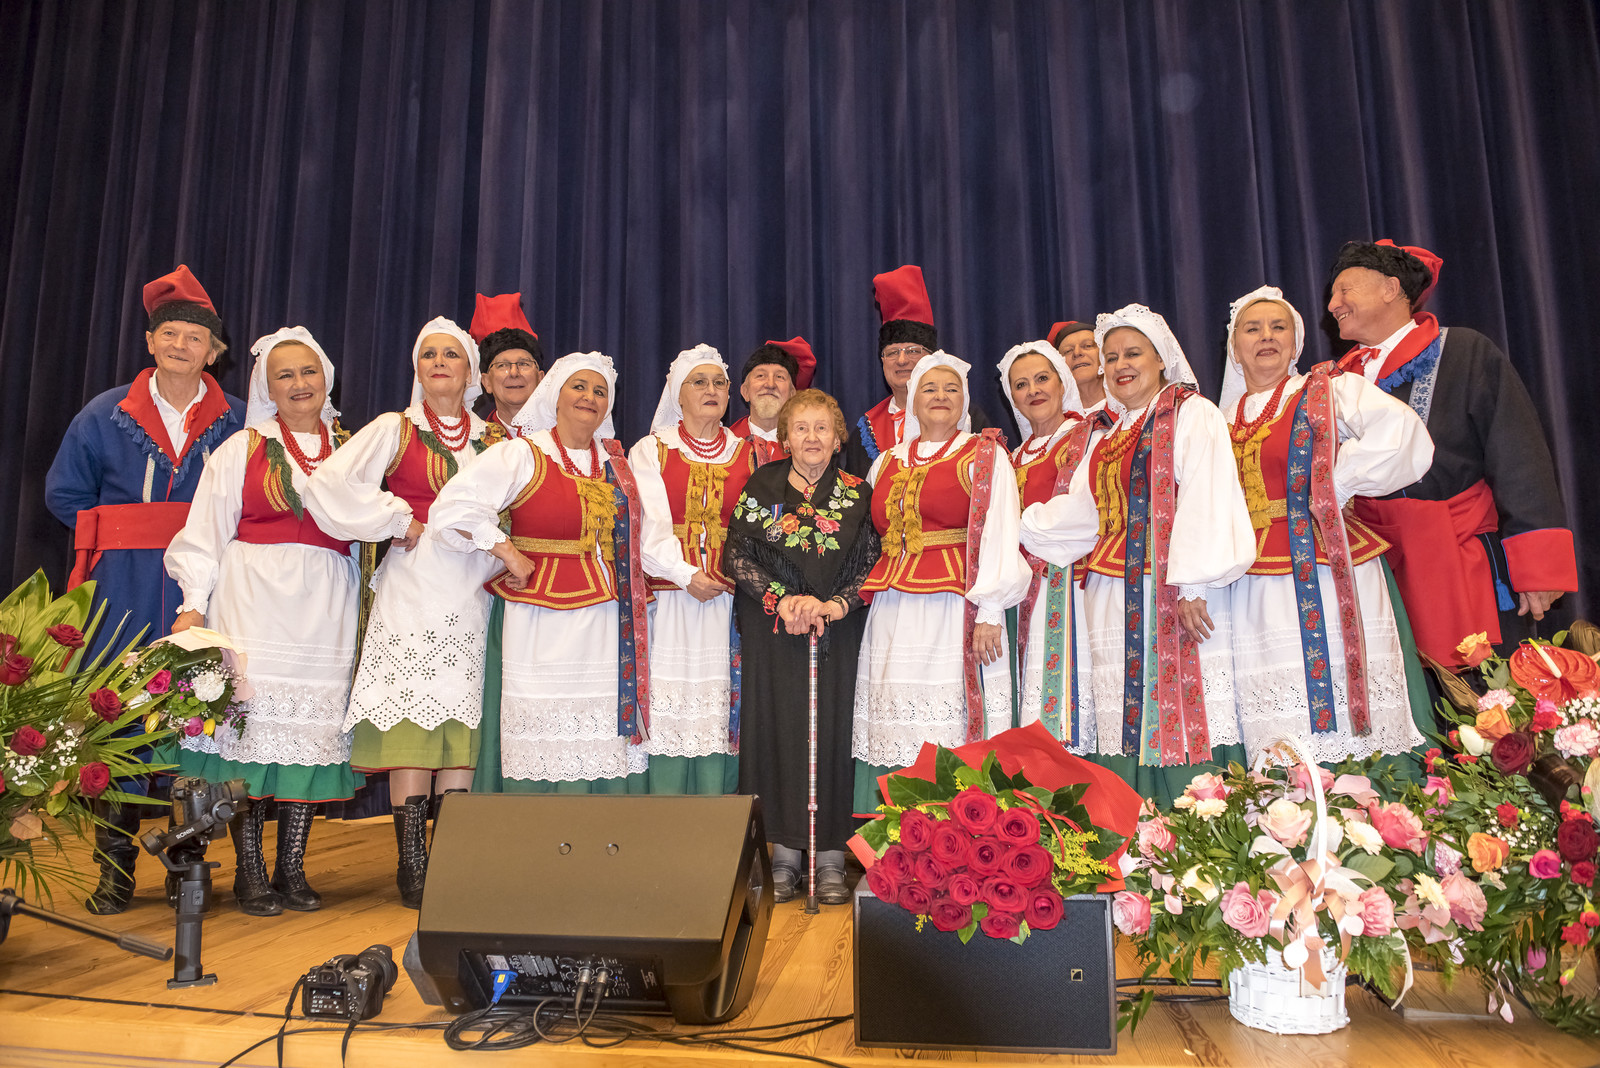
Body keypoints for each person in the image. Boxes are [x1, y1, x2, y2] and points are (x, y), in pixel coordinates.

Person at [45, 264, 246, 915]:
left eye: (195, 337)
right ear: (150, 342)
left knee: (198, 720)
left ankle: (188, 868)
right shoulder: (103, 414)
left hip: (205, 590)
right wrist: (129, 533)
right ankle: (114, 869)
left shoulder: (240, 422)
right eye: (170, 334)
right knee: (121, 719)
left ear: (213, 352)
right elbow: (64, 495)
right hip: (123, 589)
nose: (181, 345)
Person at [303, 317, 504, 908]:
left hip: (477, 589)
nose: (440, 363)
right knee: (414, 724)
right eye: (429, 354)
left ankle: (453, 861)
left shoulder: (495, 440)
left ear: (471, 372)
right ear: (417, 368)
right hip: (414, 588)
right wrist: (396, 518)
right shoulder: (395, 428)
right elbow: (328, 484)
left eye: (452, 354)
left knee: (464, 723)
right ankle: (413, 863)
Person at [1020, 305, 1254, 805]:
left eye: (1133, 354)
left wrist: (1193, 584)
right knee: (1122, 706)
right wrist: (1014, 523)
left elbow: (1207, 495)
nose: (1120, 365)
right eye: (1111, 358)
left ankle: (1196, 819)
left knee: (1178, 701)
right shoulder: (1108, 434)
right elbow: (1083, 512)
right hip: (1110, 590)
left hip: (1172, 588)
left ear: (1161, 358)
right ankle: (1136, 822)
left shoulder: (1192, 413)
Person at [164, 327, 361, 916]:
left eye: (308, 371)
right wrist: (193, 603)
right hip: (251, 601)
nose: (299, 384)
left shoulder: (352, 448)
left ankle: (291, 868)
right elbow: (204, 531)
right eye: (285, 375)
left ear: (326, 379)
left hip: (325, 605)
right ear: (267, 389)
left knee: (307, 743)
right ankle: (250, 871)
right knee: (248, 741)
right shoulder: (241, 448)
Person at [1326, 240, 1577, 668]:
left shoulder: (1463, 351)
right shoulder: (1333, 379)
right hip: (1374, 568)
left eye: (1344, 290)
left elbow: (1519, 457)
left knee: (1485, 694)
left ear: (1390, 288)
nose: (1333, 305)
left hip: (1459, 560)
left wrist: (1539, 568)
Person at [1218, 286, 1432, 763]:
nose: (1266, 336)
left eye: (1278, 327)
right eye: (1252, 329)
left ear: (1296, 343)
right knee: (1272, 688)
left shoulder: (1328, 389)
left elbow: (1403, 434)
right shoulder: (1218, 419)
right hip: (1249, 576)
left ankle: (1367, 790)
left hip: (1325, 561)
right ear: (1234, 348)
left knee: (1339, 676)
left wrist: (1335, 482)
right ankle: (1285, 794)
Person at [429, 353, 651, 795]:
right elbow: (452, 508)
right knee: (541, 725)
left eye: (600, 391)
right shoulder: (523, 453)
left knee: (598, 730)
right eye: (579, 387)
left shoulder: (616, 465)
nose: (589, 397)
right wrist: (508, 553)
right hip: (538, 616)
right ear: (554, 396)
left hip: (605, 616)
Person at [852, 352, 1030, 812]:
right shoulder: (885, 462)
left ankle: (959, 826)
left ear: (964, 401)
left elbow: (1001, 531)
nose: (940, 397)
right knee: (894, 711)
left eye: (952, 389)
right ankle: (894, 830)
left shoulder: (985, 455)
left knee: (948, 718)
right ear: (912, 400)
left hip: (955, 605)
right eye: (929, 389)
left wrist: (991, 611)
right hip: (893, 608)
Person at [725, 389, 879, 904]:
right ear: (785, 437)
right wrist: (783, 599)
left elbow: (870, 561)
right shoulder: (762, 484)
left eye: (822, 428)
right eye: (801, 428)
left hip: (837, 628)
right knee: (777, 727)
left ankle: (831, 855)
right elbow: (737, 554)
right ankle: (785, 853)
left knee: (833, 729)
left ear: (838, 439)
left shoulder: (858, 493)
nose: (812, 437)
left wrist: (833, 605)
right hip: (775, 627)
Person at [631, 345, 757, 794]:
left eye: (719, 383)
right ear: (677, 394)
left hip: (729, 602)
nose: (711, 390)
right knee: (669, 702)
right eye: (699, 382)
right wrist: (686, 575)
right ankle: (664, 813)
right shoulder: (652, 450)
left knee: (720, 705)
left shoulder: (751, 454)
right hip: (669, 598)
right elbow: (647, 526)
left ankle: (717, 812)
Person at [995, 340, 1094, 744]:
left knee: (1063, 704)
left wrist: (1007, 526)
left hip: (1066, 589)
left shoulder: (1086, 438)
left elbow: (1081, 515)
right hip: (1019, 595)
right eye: (1021, 385)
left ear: (1061, 382)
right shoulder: (1012, 456)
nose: (1033, 390)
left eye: (1041, 379)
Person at [842, 265, 993, 476]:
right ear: (882, 361)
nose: (902, 360)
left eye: (913, 351)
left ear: (931, 358)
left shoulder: (969, 418)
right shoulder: (866, 431)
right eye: (892, 352)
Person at [730, 337, 814, 464]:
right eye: (760, 376)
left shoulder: (809, 447)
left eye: (779, 377)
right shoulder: (723, 446)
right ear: (745, 391)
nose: (770, 384)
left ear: (792, 394)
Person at [470, 292, 543, 435]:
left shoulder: (563, 438)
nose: (514, 373)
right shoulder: (473, 441)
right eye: (502, 365)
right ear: (486, 382)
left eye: (524, 364)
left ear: (540, 379)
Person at [1048, 320, 1107, 412]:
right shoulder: (1055, 418)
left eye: (1088, 345)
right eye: (1068, 351)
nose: (1077, 353)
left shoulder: (1127, 405)